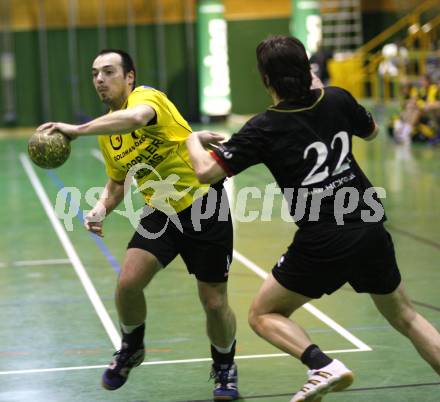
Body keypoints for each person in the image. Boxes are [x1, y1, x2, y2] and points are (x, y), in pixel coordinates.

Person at [186, 35, 440, 402]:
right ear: (308, 69)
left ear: (266, 80)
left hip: (323, 239)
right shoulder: (336, 98)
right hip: (369, 227)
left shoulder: (263, 127)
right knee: (407, 317)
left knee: (262, 314)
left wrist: (194, 140)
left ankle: (321, 364)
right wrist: (323, 92)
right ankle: (323, 367)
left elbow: (206, 173)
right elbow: (369, 133)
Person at [37, 49, 239, 401]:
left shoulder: (147, 99)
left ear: (129, 76)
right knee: (128, 282)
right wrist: (100, 208)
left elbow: (135, 119)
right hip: (160, 211)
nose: (100, 79)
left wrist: (76, 130)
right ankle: (132, 346)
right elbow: (118, 182)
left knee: (213, 300)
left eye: (109, 71)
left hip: (203, 203)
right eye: (95, 73)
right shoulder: (107, 132)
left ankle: (225, 366)